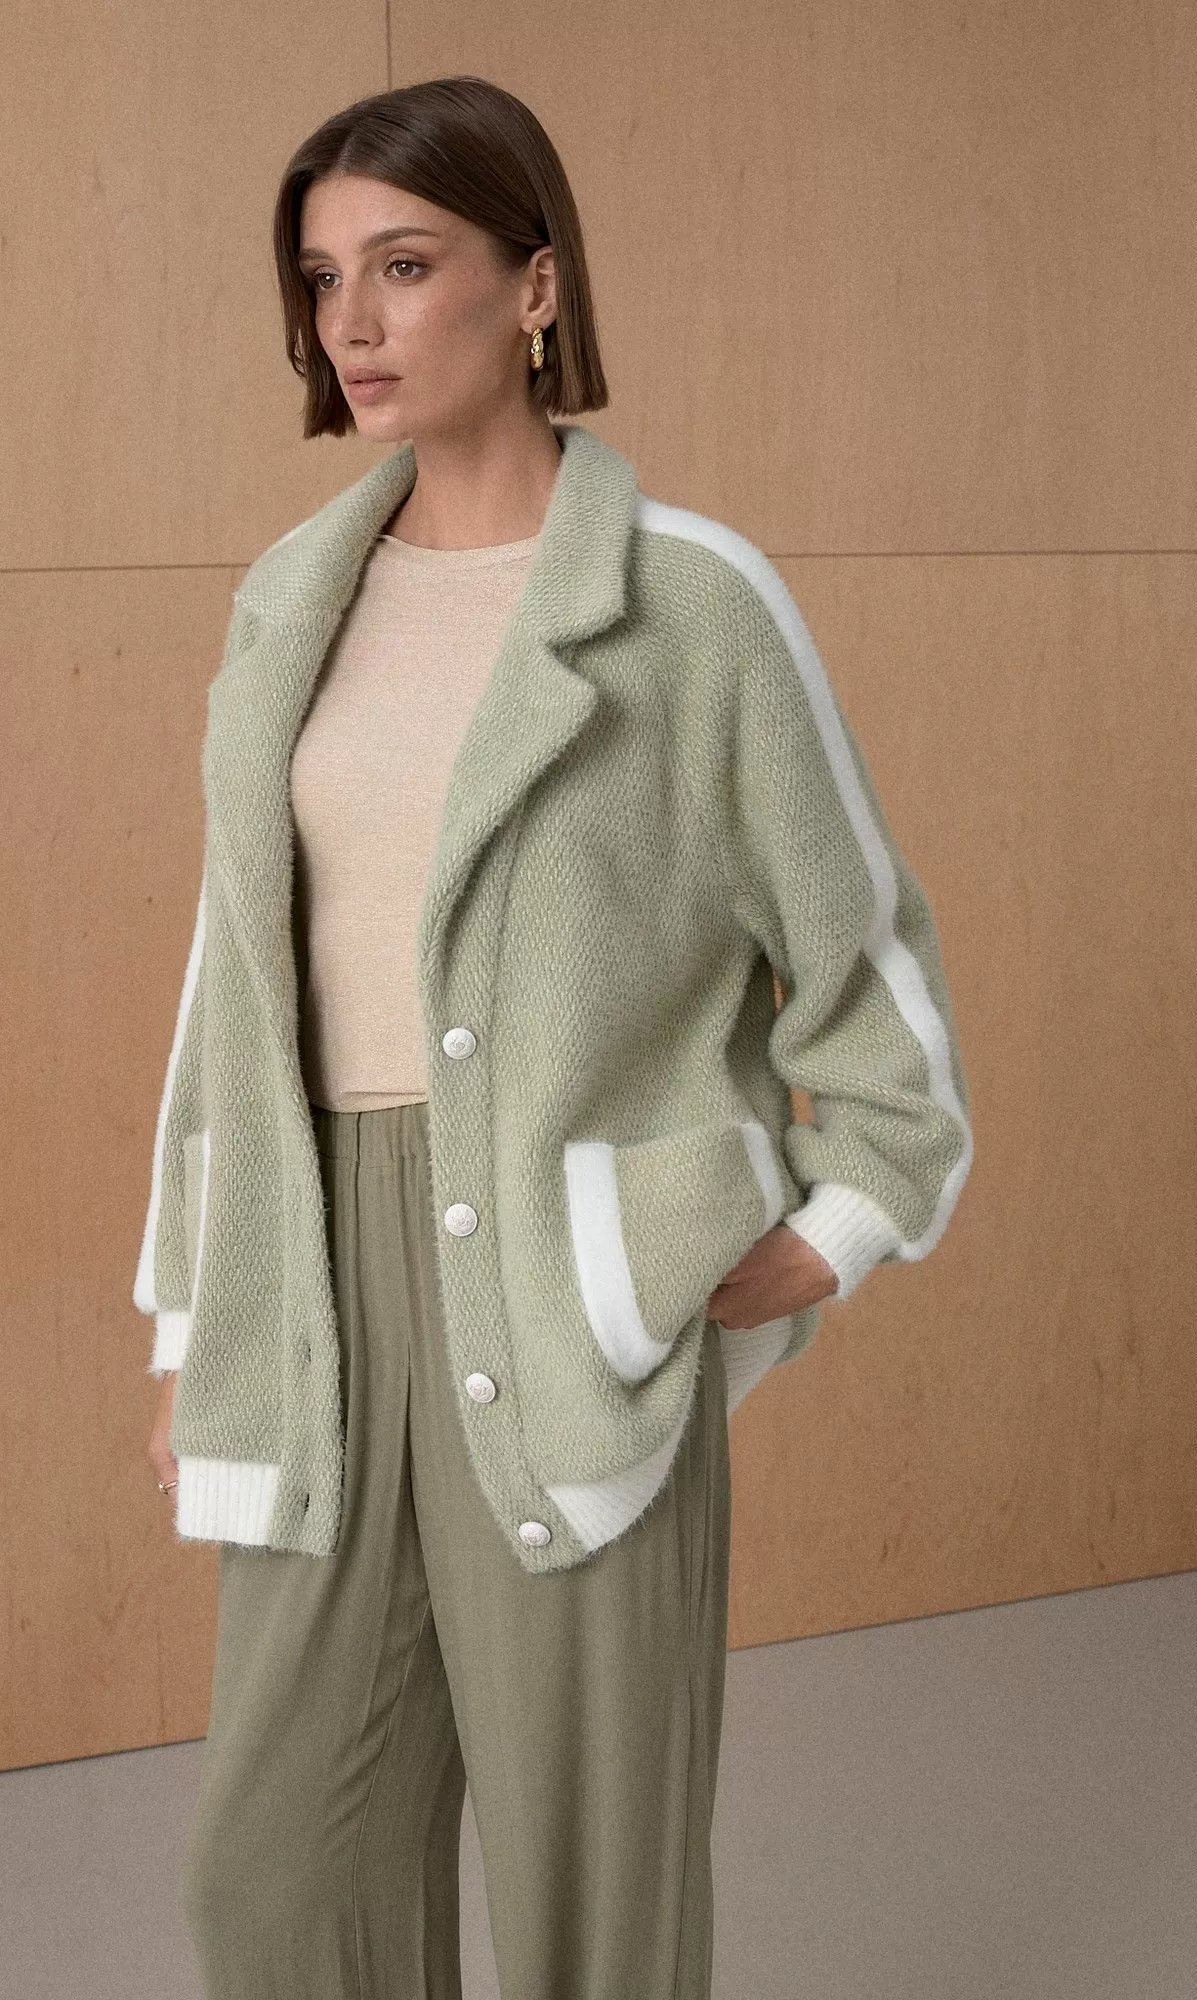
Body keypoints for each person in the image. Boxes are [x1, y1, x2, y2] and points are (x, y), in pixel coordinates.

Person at [136, 73, 972, 2000]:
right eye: (322, 277)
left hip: (566, 1285)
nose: (351, 322)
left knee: (596, 1893)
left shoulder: (693, 608)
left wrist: (822, 1236)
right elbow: (228, 987)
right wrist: (197, 1316)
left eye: (403, 265)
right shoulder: (290, 604)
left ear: (534, 286)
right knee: (275, 1874)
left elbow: (873, 980)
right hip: (314, 1279)